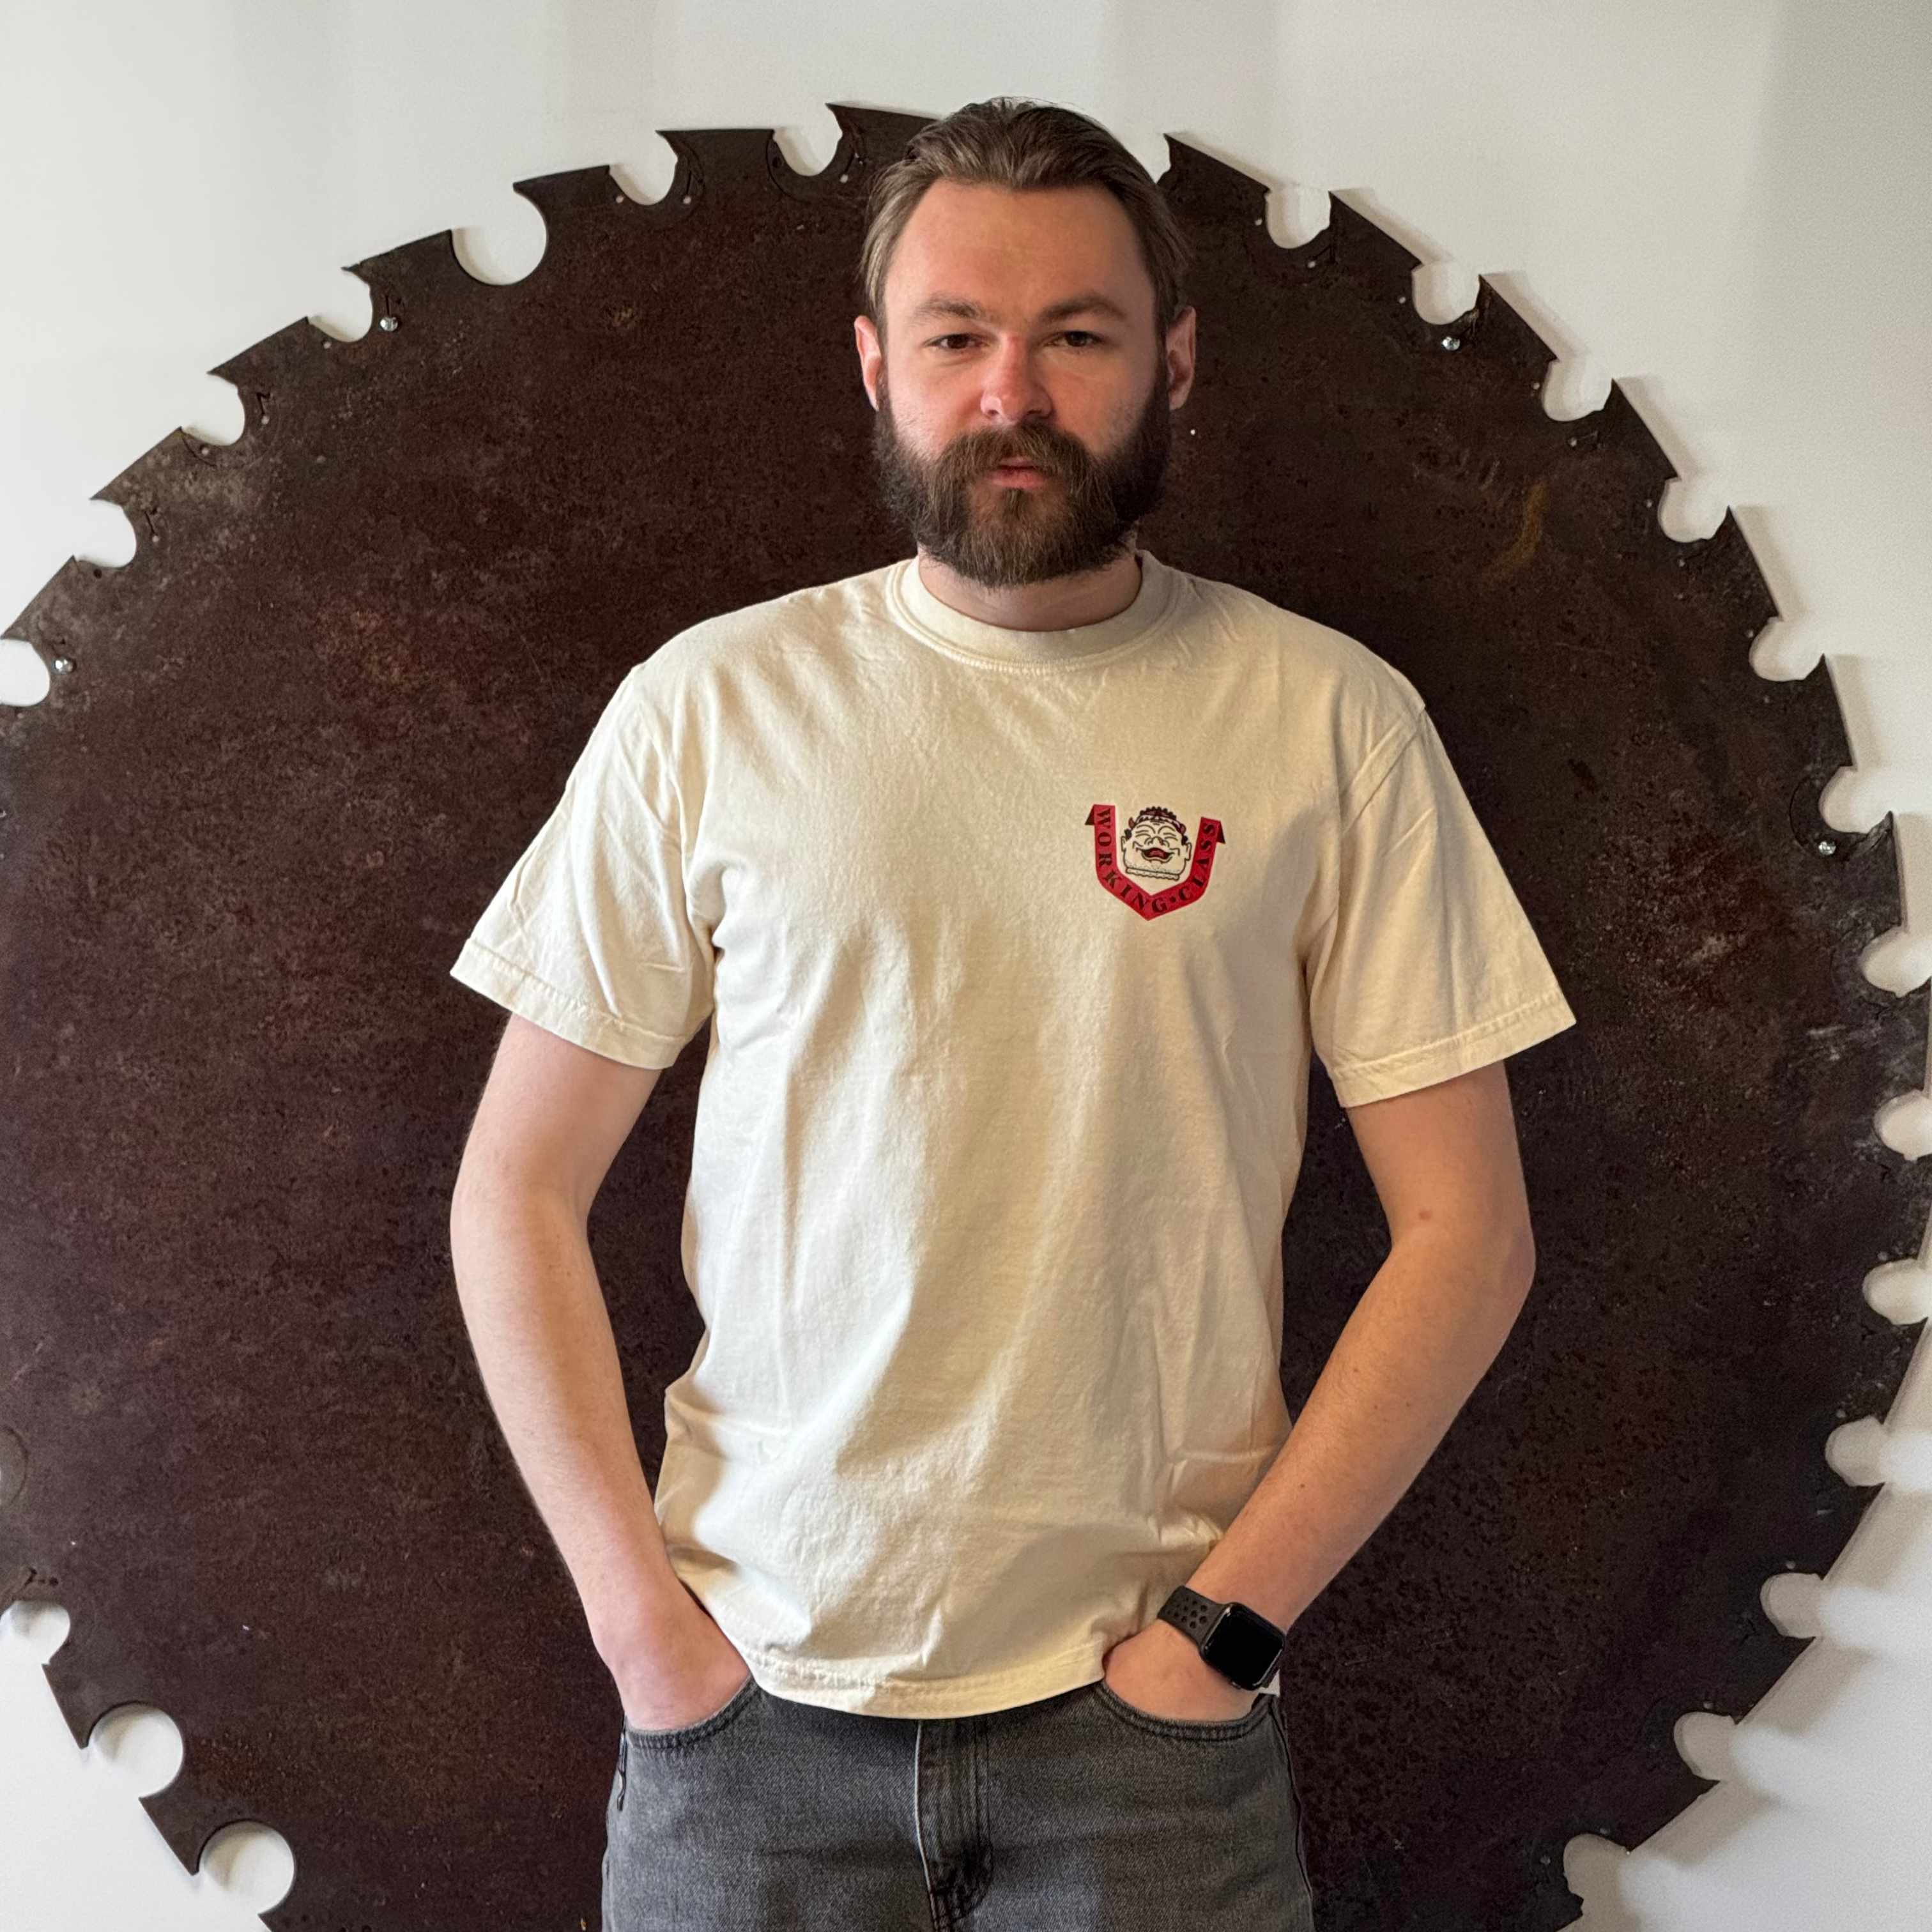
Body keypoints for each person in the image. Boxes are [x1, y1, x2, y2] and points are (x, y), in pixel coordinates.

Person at [448, 96, 1574, 1932]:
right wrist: (641, 1631)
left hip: (1149, 1745)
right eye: (961, 336)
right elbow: (515, 1192)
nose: (1013, 390)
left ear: (1174, 364)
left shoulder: (1325, 721)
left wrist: (1221, 1637)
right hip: (750, 1725)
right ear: (880, 366)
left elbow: (1471, 1235)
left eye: (1077, 336)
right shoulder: (711, 709)